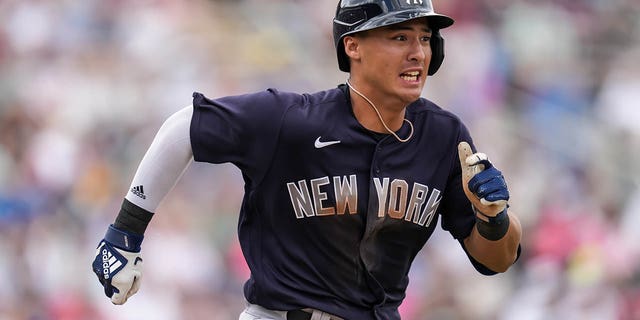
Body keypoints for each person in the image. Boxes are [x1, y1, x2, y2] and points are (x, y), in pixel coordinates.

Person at [92, 1, 522, 319]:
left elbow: (496, 259)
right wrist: (125, 231)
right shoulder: (290, 120)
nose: (418, 52)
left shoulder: (445, 137)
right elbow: (185, 127)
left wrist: (494, 219)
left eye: (425, 38)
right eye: (399, 37)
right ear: (352, 46)